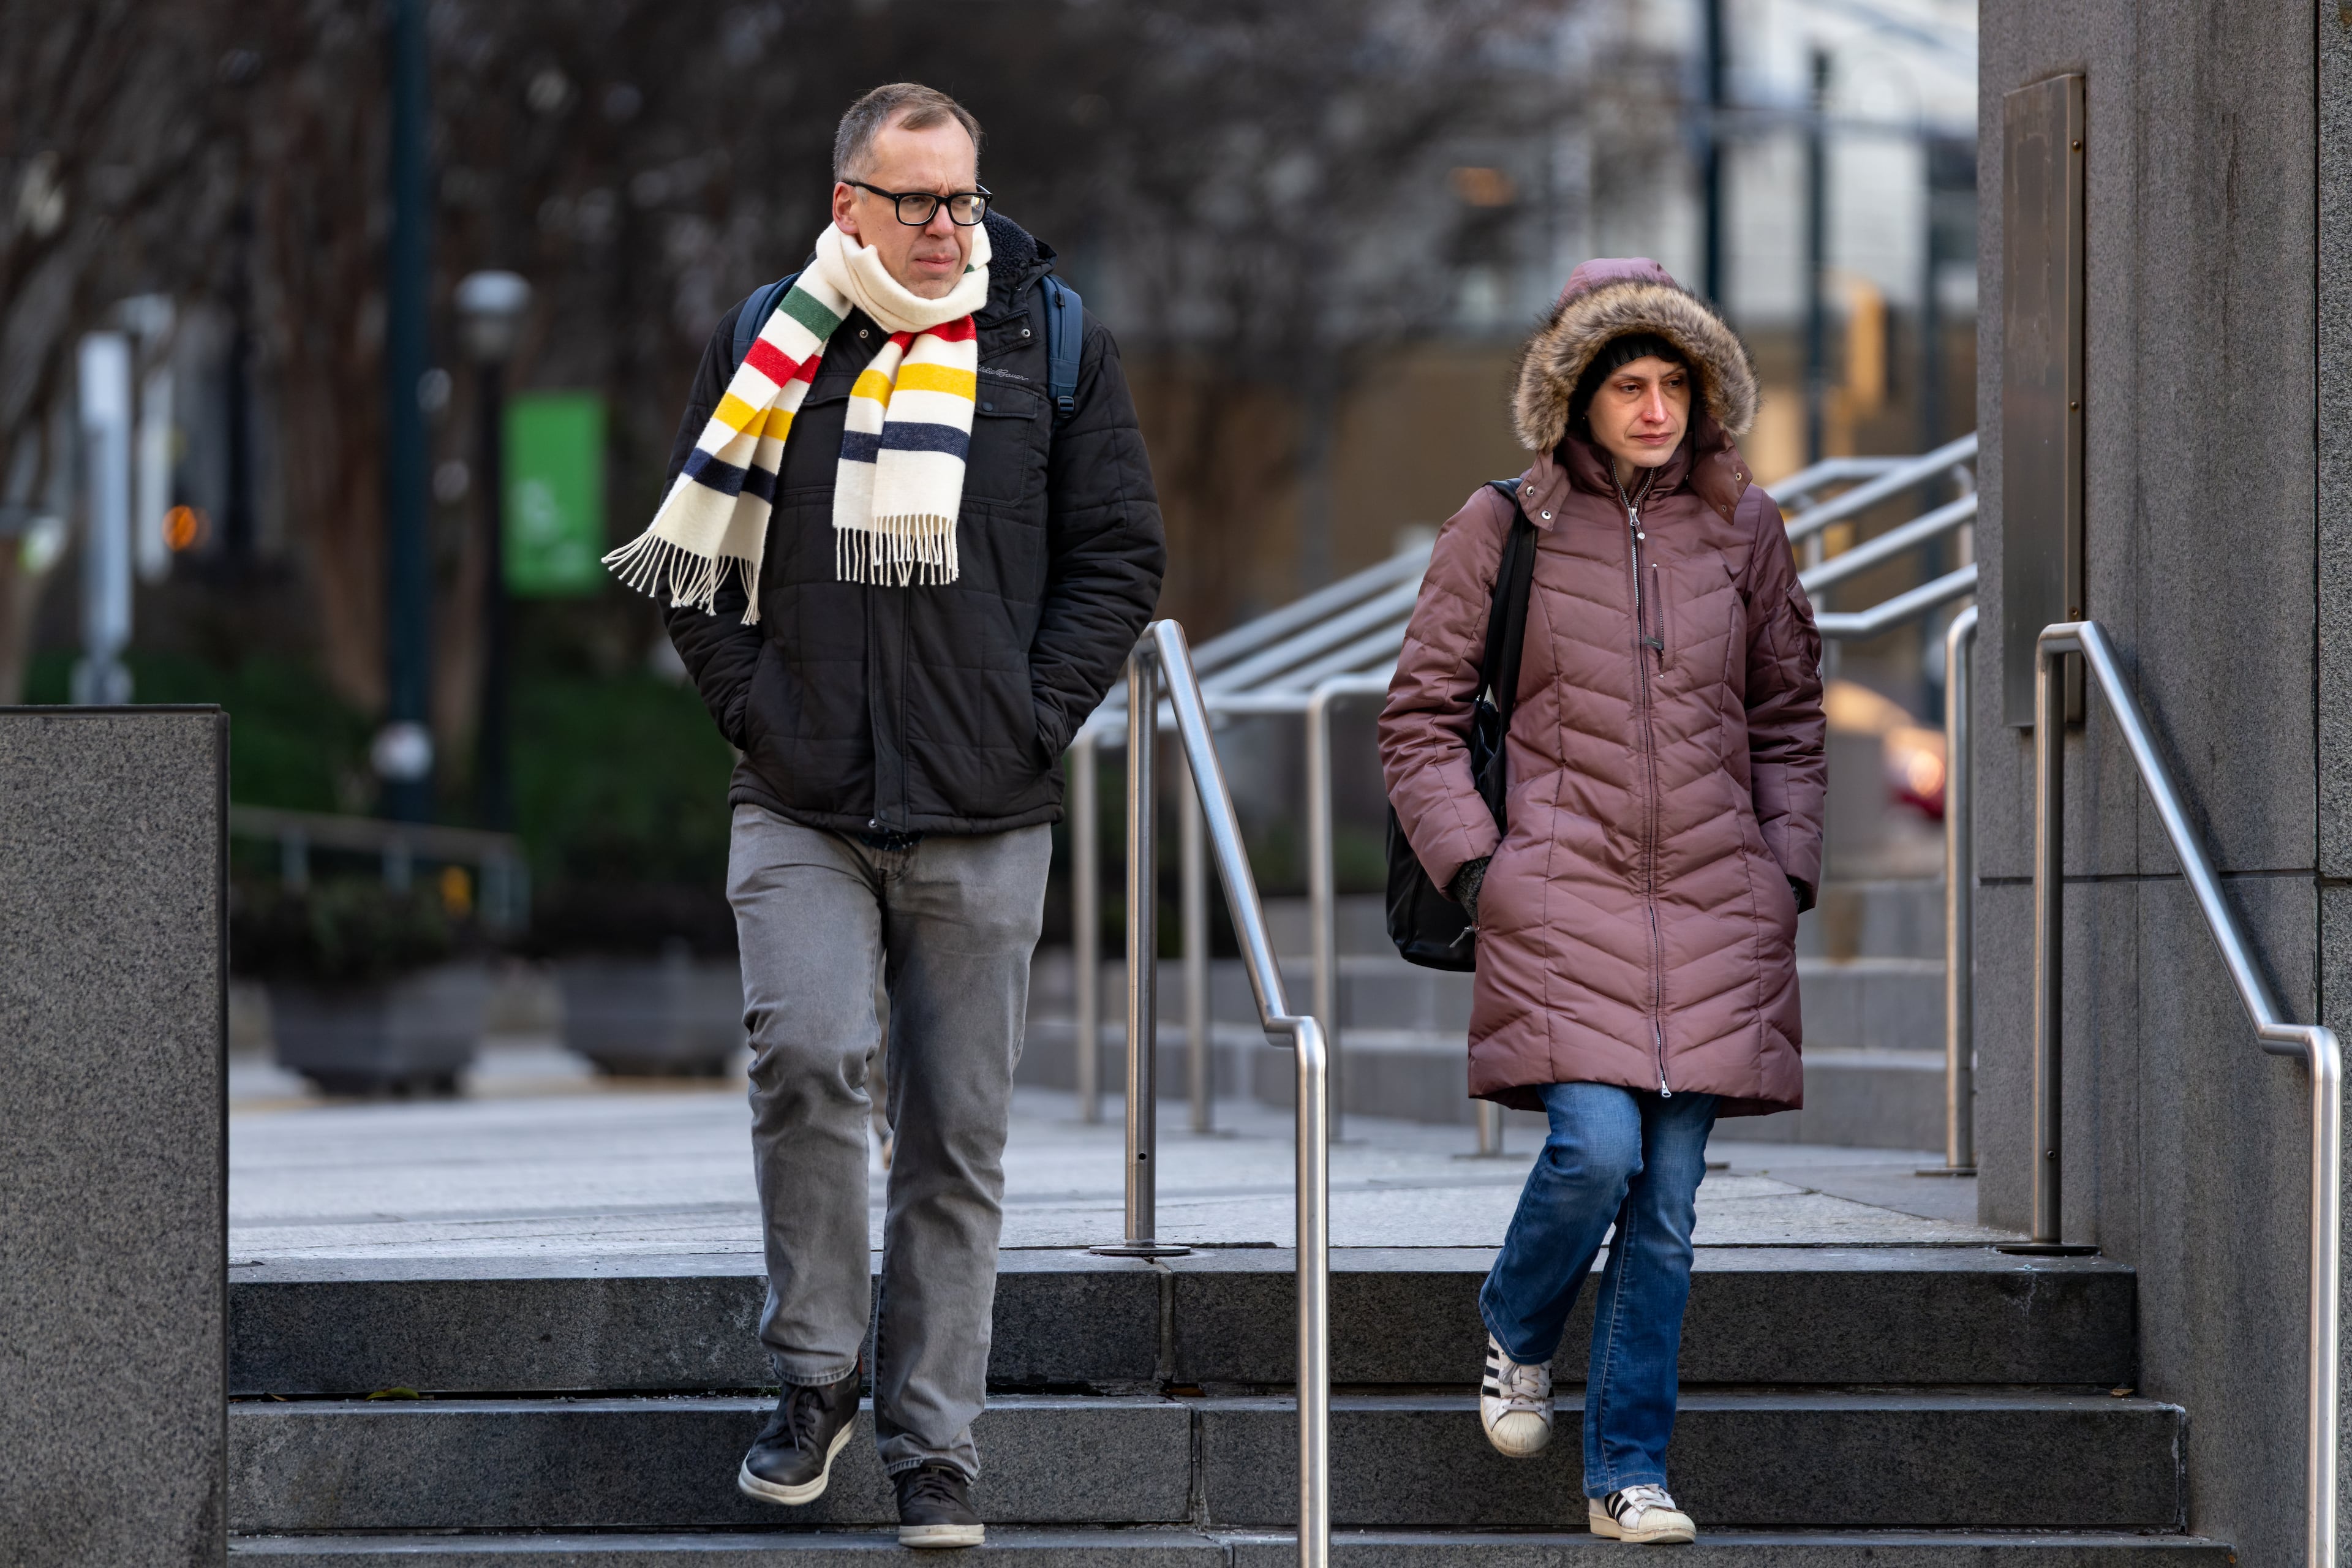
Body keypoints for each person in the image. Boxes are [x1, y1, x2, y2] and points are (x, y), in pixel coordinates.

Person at [606, 83, 1164, 1549]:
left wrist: (1032, 717)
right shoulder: (767, 340)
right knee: (805, 1054)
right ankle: (813, 1374)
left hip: (987, 807)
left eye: (963, 199)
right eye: (914, 201)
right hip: (802, 796)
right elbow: (693, 556)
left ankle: (936, 1444)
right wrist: (759, 710)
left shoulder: (1048, 340)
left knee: (957, 1135)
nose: (943, 227)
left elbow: (1119, 555)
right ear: (848, 200)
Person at [1378, 258, 1825, 1544]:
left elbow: (1790, 714)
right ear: (1576, 395)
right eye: (1627, 383)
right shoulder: (1504, 524)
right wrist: (1482, 867)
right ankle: (1517, 1319)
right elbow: (1415, 720)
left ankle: (1627, 1467)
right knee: (1596, 1150)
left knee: (1671, 1206)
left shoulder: (1747, 525)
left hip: (1713, 901)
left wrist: (1784, 866)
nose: (1653, 407)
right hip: (1558, 893)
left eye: (1674, 382)